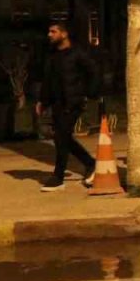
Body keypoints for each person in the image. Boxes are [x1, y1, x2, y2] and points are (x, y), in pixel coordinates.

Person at [35, 21, 99, 192]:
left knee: (62, 137)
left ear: (64, 34)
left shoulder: (77, 53)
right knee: (62, 138)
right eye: (49, 31)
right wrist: (42, 101)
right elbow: (48, 80)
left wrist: (89, 93)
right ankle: (90, 163)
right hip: (57, 102)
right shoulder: (52, 56)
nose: (49, 34)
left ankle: (58, 177)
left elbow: (93, 72)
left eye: (53, 31)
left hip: (73, 102)